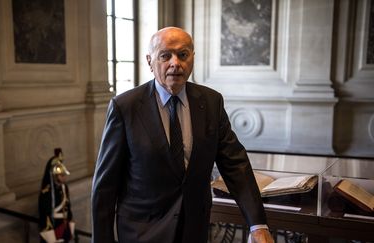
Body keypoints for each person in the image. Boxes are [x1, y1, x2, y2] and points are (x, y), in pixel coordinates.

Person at [91, 27, 274, 243]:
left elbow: (235, 165)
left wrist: (258, 224)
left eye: (183, 54)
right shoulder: (125, 107)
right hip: (142, 232)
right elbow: (105, 186)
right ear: (150, 61)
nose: (175, 63)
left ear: (192, 59)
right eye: (165, 55)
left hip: (194, 229)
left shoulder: (212, 102)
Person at [39, 151, 74, 242]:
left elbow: (68, 207)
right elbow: (45, 213)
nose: (64, 178)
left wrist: (70, 222)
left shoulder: (64, 187)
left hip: (64, 224)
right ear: (55, 176)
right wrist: (50, 234)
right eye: (61, 175)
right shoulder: (47, 191)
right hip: (54, 225)